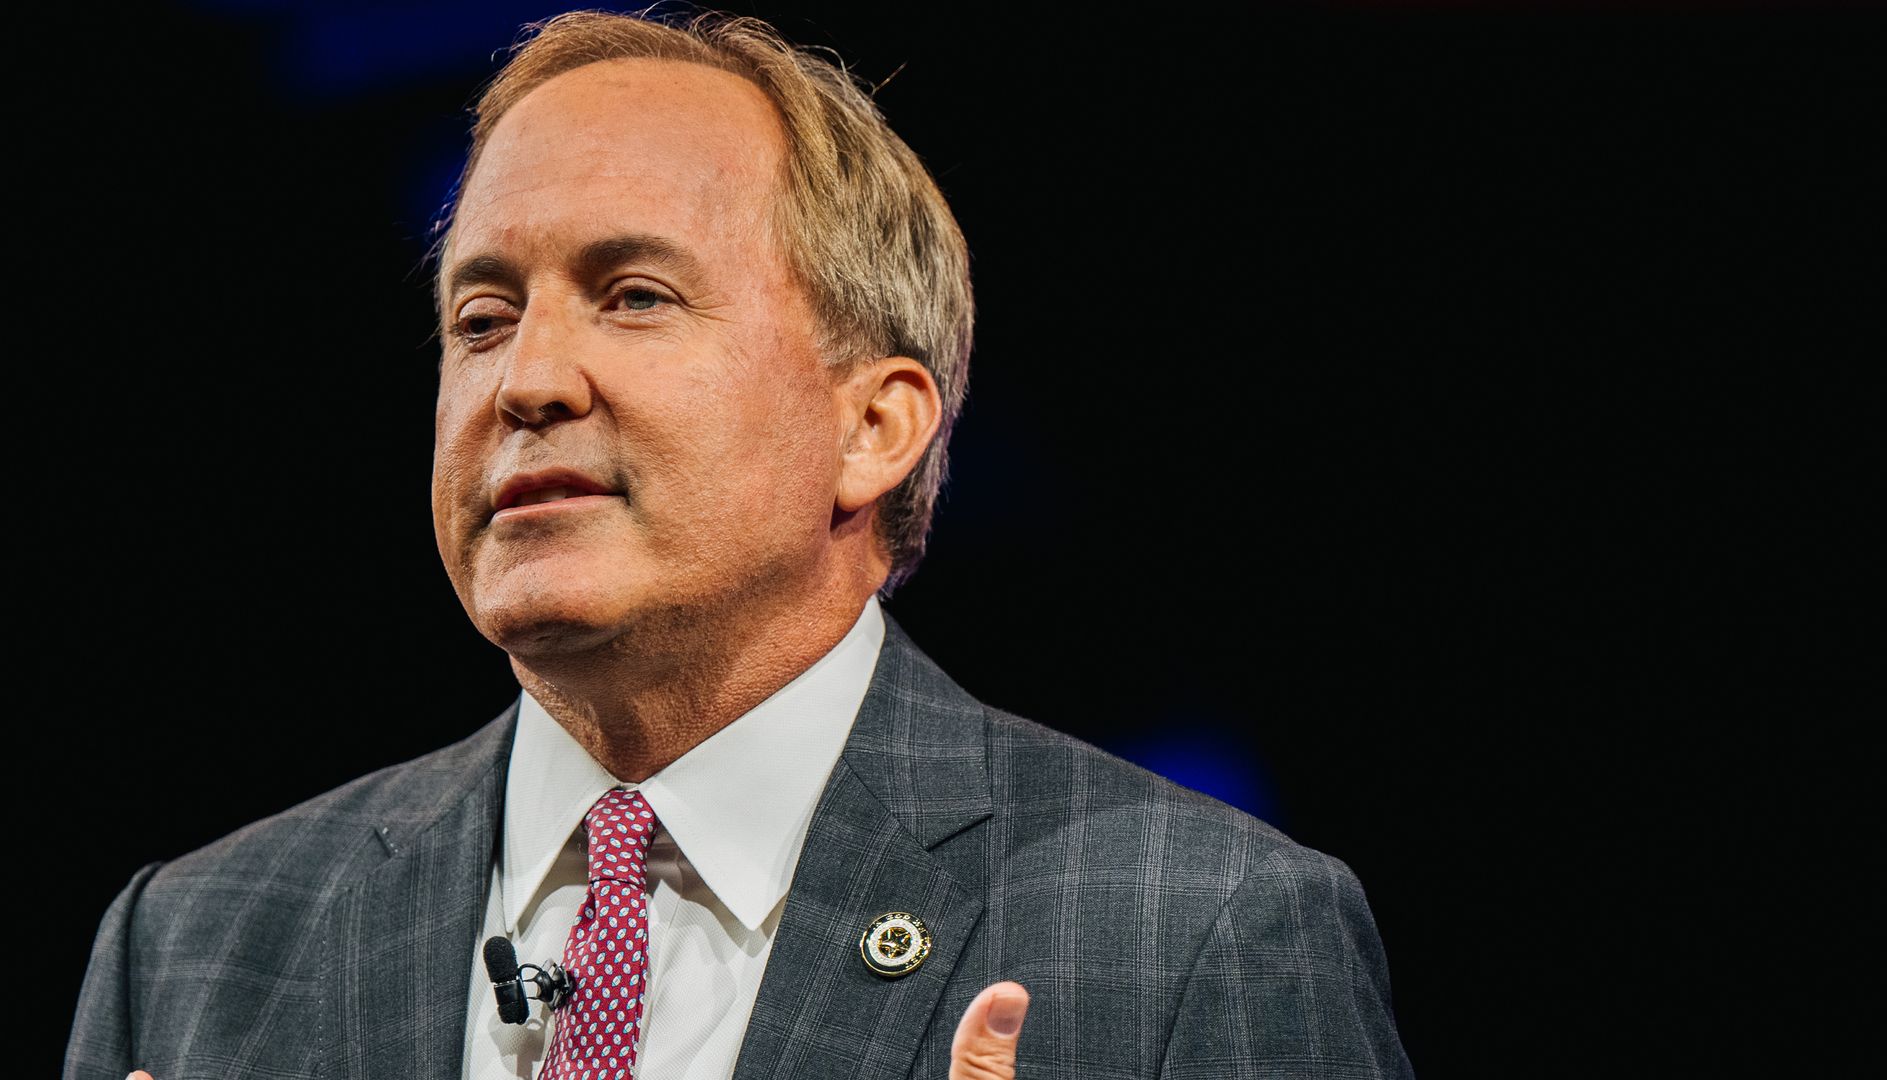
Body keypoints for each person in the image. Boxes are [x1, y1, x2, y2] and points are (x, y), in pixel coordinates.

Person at [64, 10, 1413, 1079]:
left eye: (634, 295)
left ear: (873, 426)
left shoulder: (1195, 930)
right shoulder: (195, 947)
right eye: (480, 318)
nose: (523, 382)